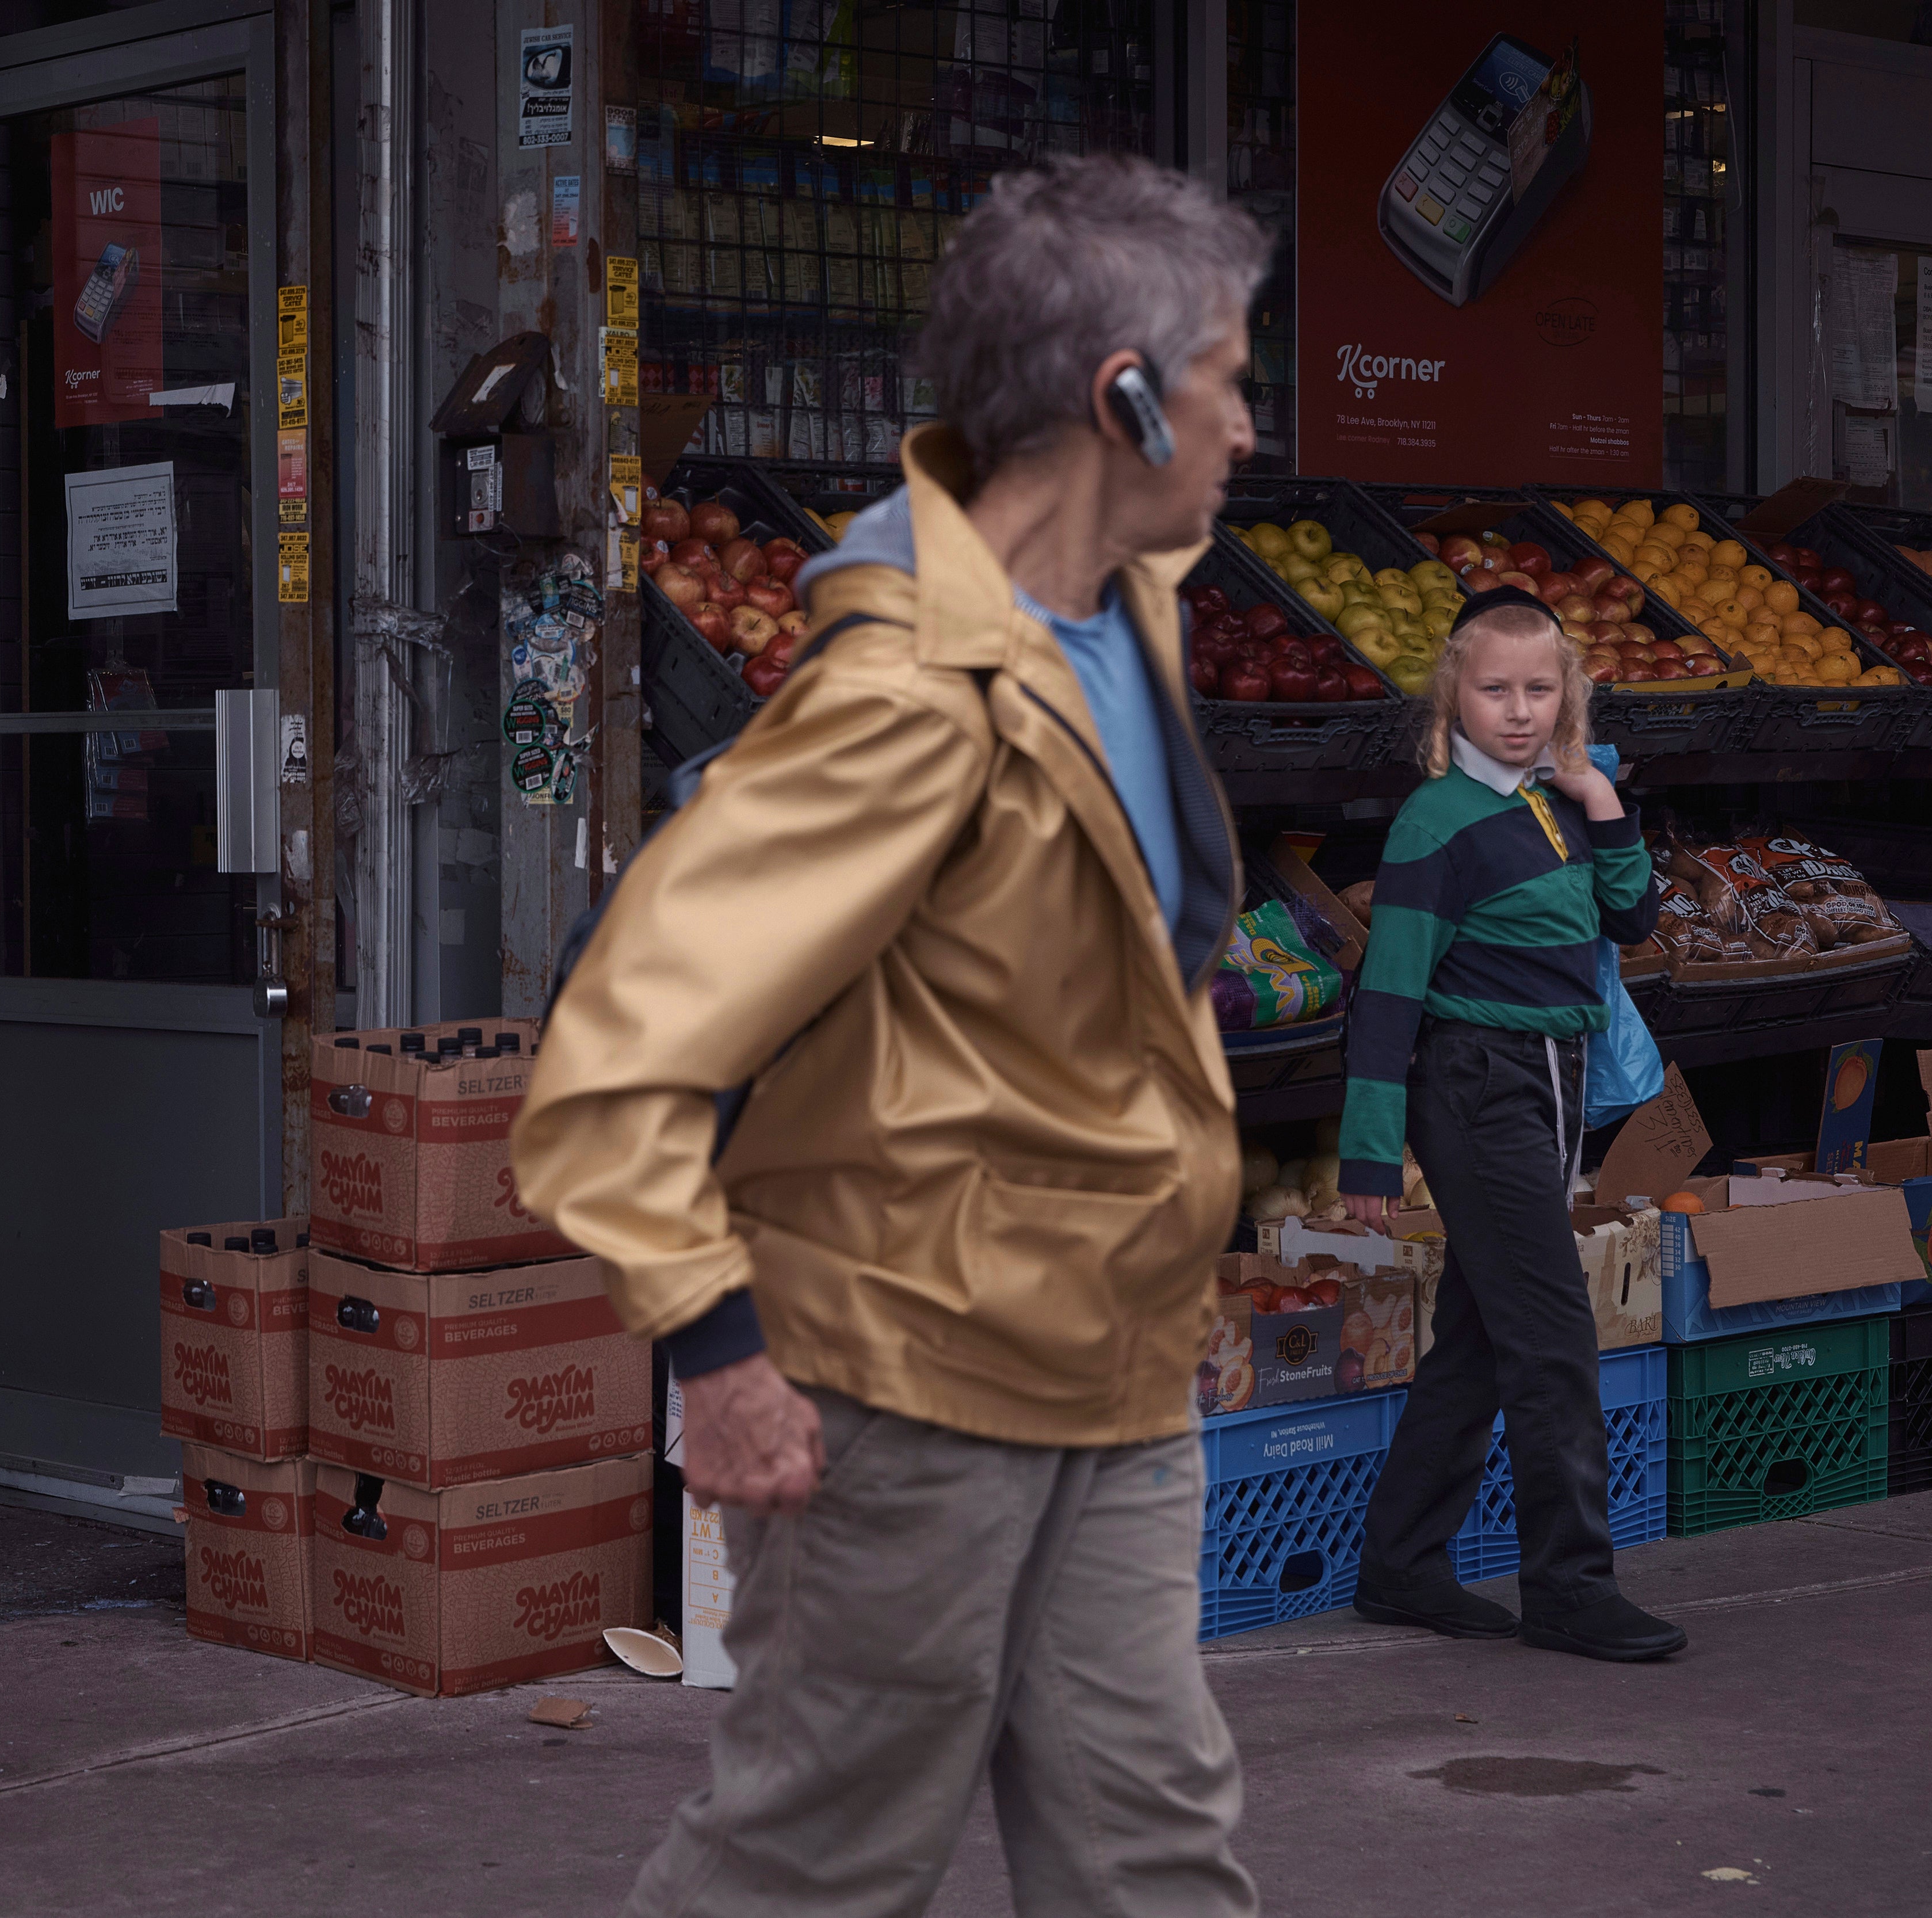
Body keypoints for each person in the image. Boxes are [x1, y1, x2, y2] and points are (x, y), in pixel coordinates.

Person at [513, 154, 1265, 1917]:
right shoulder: (910, 701)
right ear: (1126, 397)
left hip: (1110, 1370)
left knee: (1158, 1848)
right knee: (818, 1864)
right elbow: (613, 1055)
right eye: (1231, 374)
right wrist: (718, 1354)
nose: (1251, 419)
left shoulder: (1119, 621)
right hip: (901, 1389)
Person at [1337, 589, 1683, 1662]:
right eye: (1496, 690)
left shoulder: (1559, 799)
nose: (1520, 710)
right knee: (1551, 1337)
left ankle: (1401, 1561)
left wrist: (1601, 797)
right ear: (1455, 695)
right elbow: (1388, 994)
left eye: (1541, 690)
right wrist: (1368, 1149)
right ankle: (1570, 1586)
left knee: (1484, 1340)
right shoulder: (1434, 823)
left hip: (1547, 1077)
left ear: (1568, 694)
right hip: (1476, 1085)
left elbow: (1632, 918)